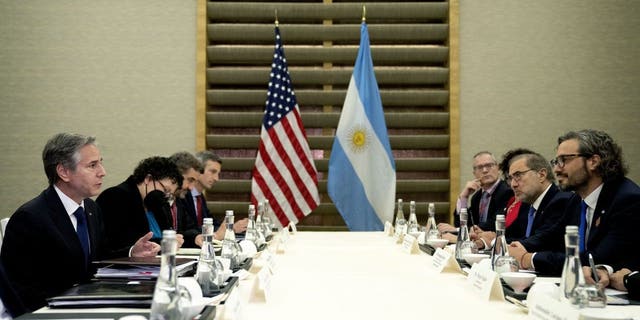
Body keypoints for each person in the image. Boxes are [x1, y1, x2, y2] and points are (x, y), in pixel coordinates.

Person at [0, 133, 160, 312]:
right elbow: (19, 290)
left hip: (88, 304)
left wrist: (132, 252)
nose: (102, 172)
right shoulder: (30, 218)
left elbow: (98, 257)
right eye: (93, 165)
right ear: (64, 172)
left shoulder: (91, 208)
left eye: (101, 162)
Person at [552, 129, 640, 283]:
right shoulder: (576, 199)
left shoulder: (627, 199)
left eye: (564, 160)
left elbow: (595, 258)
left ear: (593, 161)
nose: (557, 169)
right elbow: (551, 239)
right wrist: (519, 248)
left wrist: (531, 258)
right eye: (556, 162)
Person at [504, 152, 578, 275]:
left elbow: (542, 241)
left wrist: (496, 243)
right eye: (511, 178)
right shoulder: (527, 203)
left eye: (518, 176)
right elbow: (518, 237)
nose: (513, 184)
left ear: (542, 175)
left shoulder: (561, 200)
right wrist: (494, 239)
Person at [97, 156, 185, 251]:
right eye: (165, 190)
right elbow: (119, 242)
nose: (165, 196)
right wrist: (165, 243)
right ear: (148, 178)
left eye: (169, 194)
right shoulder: (115, 196)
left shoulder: (158, 205)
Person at [437, 151, 513, 243]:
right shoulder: (477, 197)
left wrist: (456, 230)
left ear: (497, 168)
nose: (485, 170)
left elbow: (493, 225)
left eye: (489, 165)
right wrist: (464, 197)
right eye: (480, 167)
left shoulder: (507, 191)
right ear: (474, 173)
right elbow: (463, 223)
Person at [186, 151, 247, 244]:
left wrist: (231, 228)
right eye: (213, 172)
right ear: (198, 170)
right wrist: (225, 231)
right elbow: (188, 229)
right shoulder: (183, 195)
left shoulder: (200, 197)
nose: (216, 178)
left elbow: (211, 223)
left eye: (218, 174)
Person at [169, 151, 204, 248]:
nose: (191, 188)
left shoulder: (178, 199)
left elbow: (188, 229)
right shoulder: (155, 200)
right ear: (175, 174)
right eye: (190, 180)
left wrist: (196, 237)